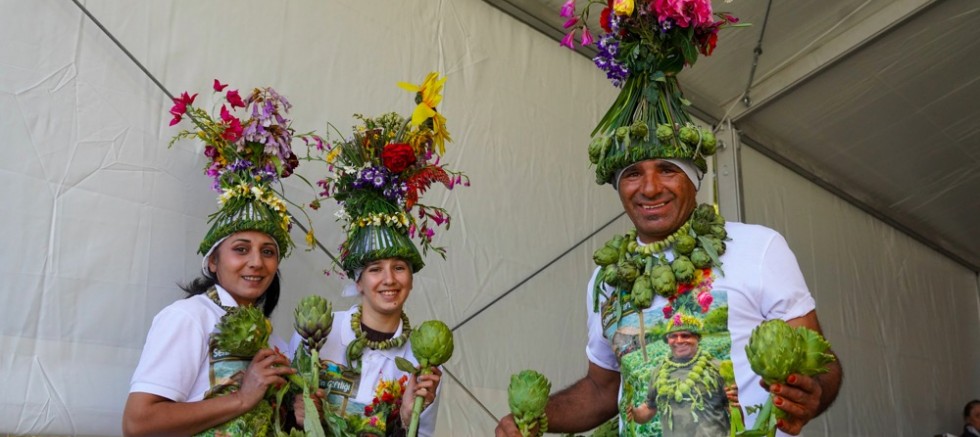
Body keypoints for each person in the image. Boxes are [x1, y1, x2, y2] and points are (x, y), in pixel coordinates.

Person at [498, 3, 842, 436]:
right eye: (633, 175)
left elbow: (823, 365)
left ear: (695, 181)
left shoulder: (758, 248)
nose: (650, 188)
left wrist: (810, 391)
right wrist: (533, 417)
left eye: (668, 170)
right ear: (618, 187)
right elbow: (603, 391)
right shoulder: (607, 280)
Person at [123, 83, 321, 435]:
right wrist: (242, 399)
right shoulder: (190, 318)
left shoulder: (267, 336)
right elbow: (138, 424)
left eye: (269, 252)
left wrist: (296, 415)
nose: (256, 263)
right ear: (213, 262)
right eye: (241, 249)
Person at [288, 72, 465, 437]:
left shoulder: (422, 360)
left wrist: (403, 416)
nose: (389, 279)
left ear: (411, 278)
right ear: (358, 279)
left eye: (399, 267)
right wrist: (299, 414)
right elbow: (283, 416)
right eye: (375, 269)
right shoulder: (320, 332)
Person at [627, 314, 730, 436]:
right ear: (668, 340)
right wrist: (633, 413)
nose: (679, 340)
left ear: (697, 338)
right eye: (673, 336)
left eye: (686, 335)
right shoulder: (658, 371)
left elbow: (735, 410)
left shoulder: (717, 368)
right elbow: (650, 408)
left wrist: (740, 404)